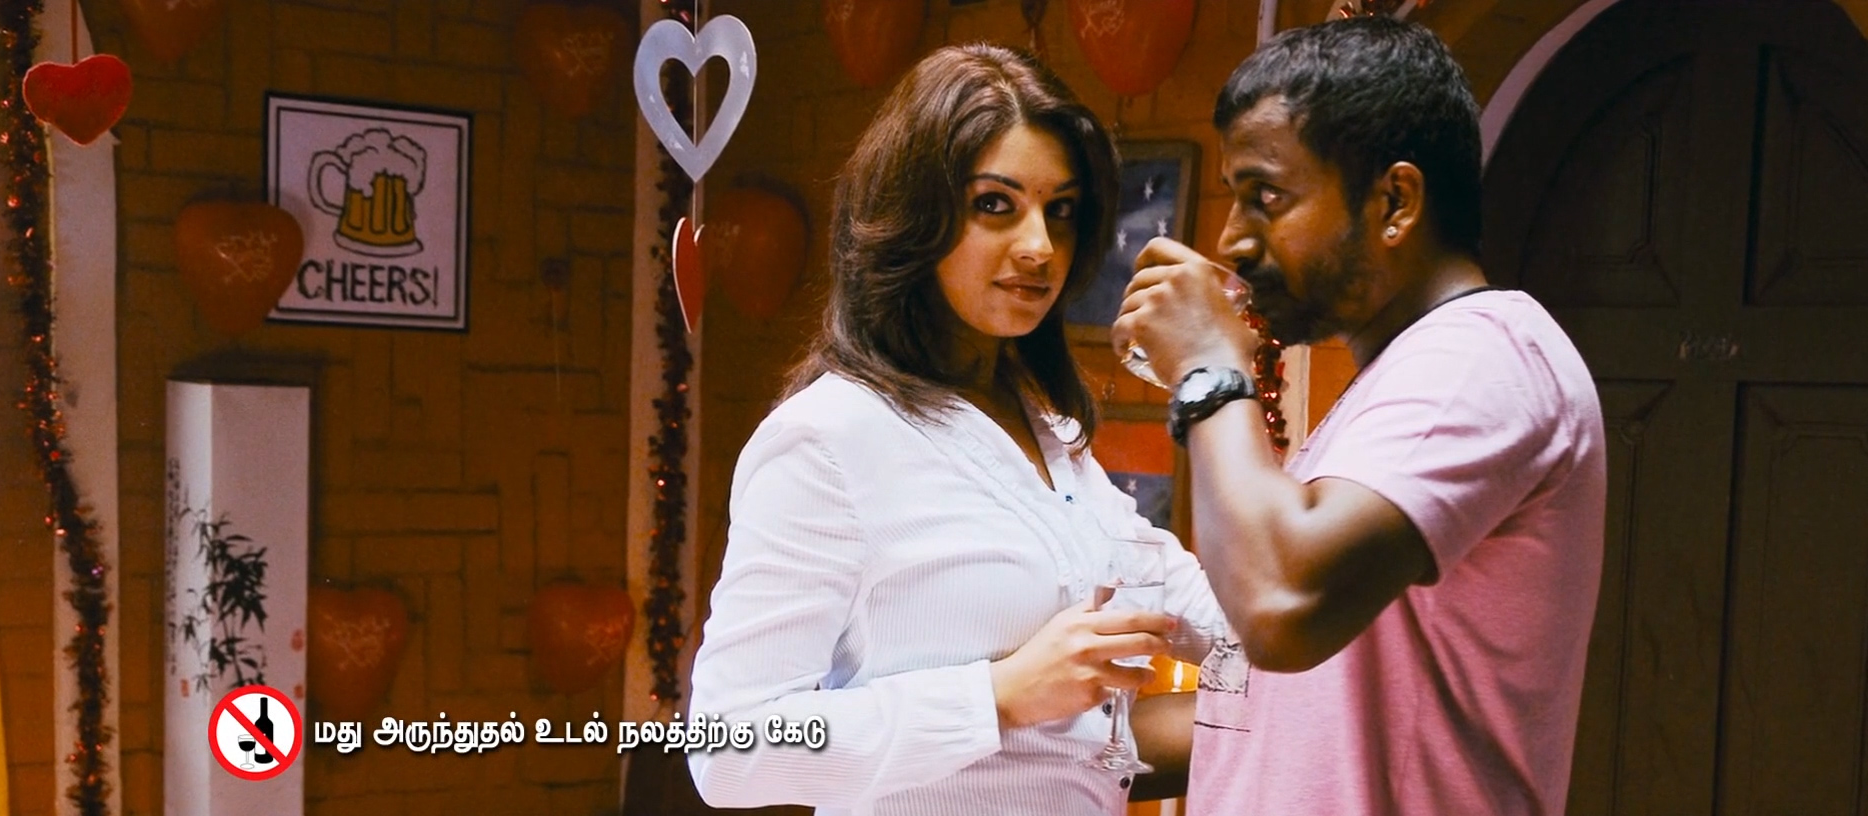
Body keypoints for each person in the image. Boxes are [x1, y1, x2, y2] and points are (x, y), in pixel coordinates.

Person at [686, 43, 1228, 815]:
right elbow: (728, 750)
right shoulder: (827, 440)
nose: (1039, 246)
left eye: (1061, 210)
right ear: (916, 214)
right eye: (995, 205)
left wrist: (1223, 378)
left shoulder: (1049, 432)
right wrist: (997, 695)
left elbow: (1217, 624)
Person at [1113, 16, 1607, 816]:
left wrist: (1209, 364)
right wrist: (1017, 743)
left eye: (1266, 197)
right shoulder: (1393, 383)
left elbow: (1281, 607)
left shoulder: (1483, 354)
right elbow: (1271, 711)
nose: (1233, 240)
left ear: (1395, 202)